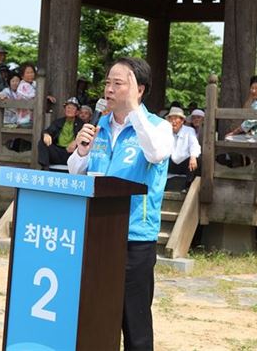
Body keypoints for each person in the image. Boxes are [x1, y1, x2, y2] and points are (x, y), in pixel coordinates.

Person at [68, 57, 173, 351]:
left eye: (118, 83)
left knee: (135, 325)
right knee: (97, 317)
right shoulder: (99, 126)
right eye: (107, 82)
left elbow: (155, 153)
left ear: (139, 89)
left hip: (134, 240)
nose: (109, 89)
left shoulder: (159, 127)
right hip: (97, 235)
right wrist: (81, 149)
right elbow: (77, 172)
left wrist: (135, 112)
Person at [38, 97, 84, 170]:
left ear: (77, 112)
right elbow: (48, 131)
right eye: (68, 108)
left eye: (72, 108)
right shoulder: (58, 122)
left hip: (72, 154)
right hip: (58, 152)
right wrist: (46, 134)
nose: (69, 110)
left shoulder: (81, 124)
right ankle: (45, 167)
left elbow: (85, 138)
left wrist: (76, 142)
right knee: (42, 142)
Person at [166, 106, 201, 192]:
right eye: (171, 119)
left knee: (197, 159)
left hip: (185, 163)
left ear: (182, 121)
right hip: (171, 162)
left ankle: (188, 186)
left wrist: (193, 157)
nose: (173, 122)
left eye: (176, 119)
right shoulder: (165, 131)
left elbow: (194, 145)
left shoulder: (189, 130)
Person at [225, 74, 257, 142]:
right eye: (252, 88)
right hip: (254, 136)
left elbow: (249, 122)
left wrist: (234, 132)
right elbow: (245, 113)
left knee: (228, 138)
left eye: (256, 88)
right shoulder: (256, 102)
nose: (253, 91)